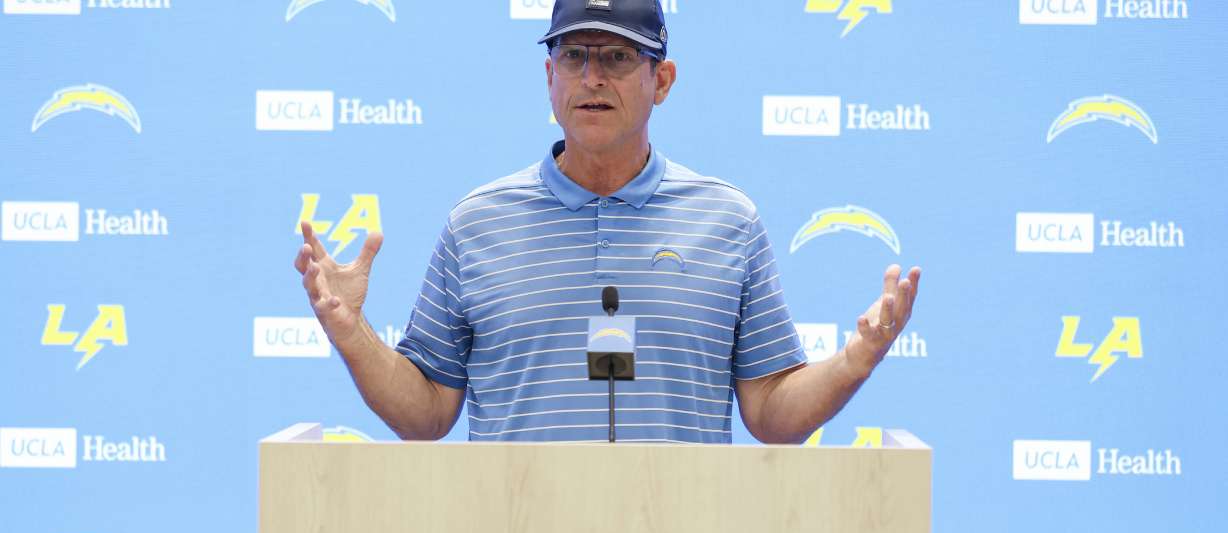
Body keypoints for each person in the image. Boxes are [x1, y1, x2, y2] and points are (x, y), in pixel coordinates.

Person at [293, 0, 920, 444]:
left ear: (662, 80)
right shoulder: (476, 223)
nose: (591, 77)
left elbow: (772, 414)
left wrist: (854, 361)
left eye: (617, 57)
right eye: (573, 56)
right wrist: (352, 333)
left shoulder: (728, 219)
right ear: (549, 76)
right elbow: (425, 413)